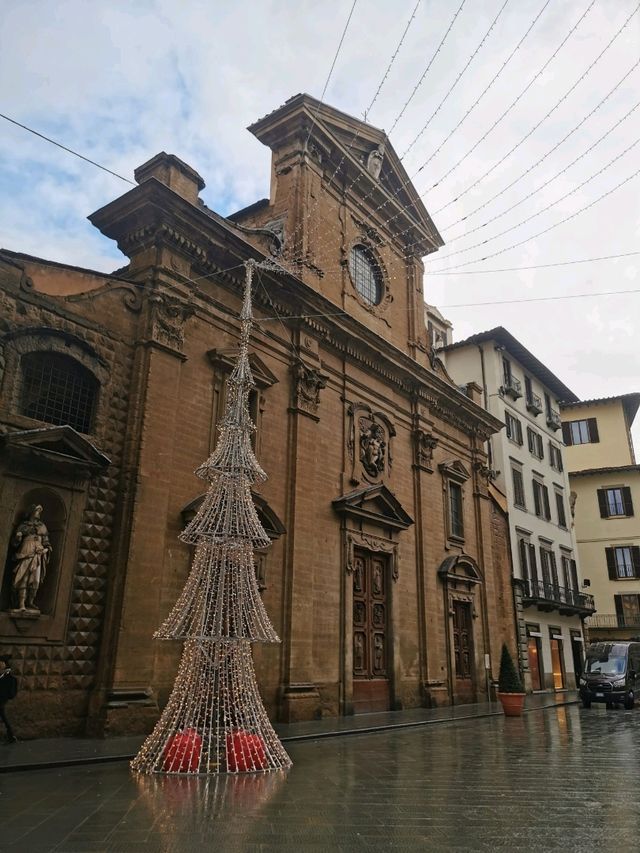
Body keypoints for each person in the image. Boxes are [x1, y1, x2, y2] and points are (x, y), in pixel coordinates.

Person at [11, 504, 52, 611]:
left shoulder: (42, 526)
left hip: (38, 554)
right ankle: (21, 604)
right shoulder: (23, 525)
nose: (38, 513)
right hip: (26, 552)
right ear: (31, 512)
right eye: (36, 510)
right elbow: (14, 544)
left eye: (39, 511)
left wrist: (45, 550)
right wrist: (18, 537)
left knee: (35, 580)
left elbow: (47, 543)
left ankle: (30, 602)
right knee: (23, 578)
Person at [0, 657, 18, 743]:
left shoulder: (7, 674)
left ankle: (11, 735)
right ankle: (11, 735)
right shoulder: (3, 674)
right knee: (3, 717)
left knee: (4, 717)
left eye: (1, 663)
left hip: (2, 698)